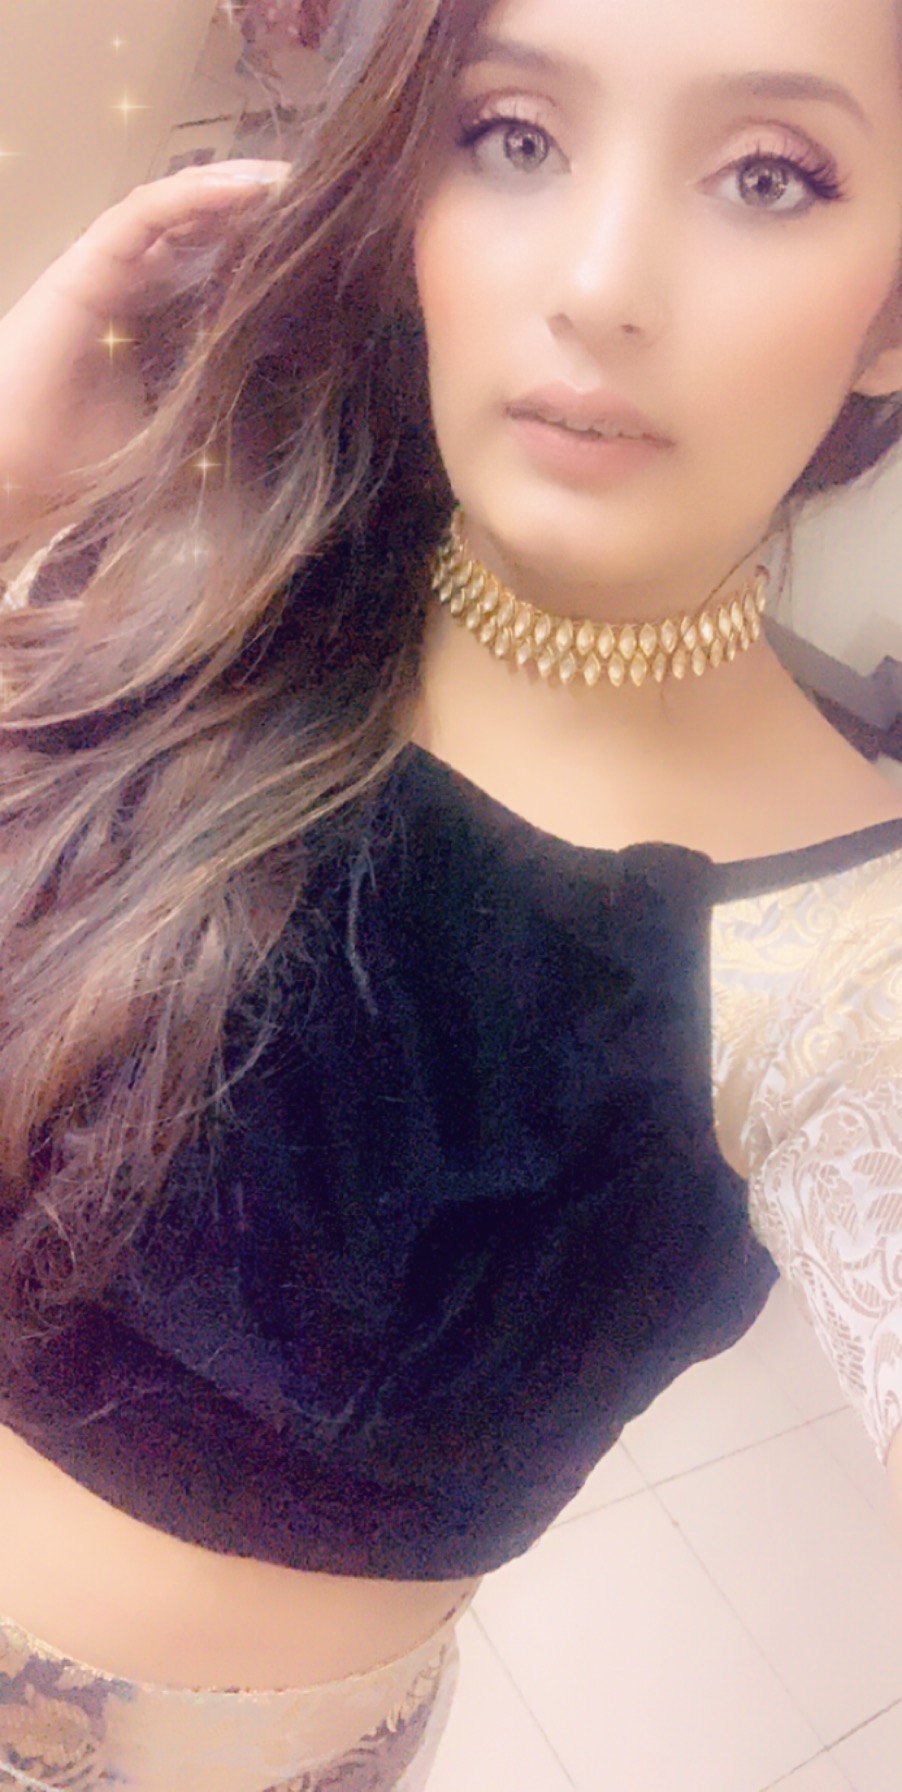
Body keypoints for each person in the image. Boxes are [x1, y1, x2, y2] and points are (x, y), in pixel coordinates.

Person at [0, 0, 902, 1784]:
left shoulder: (834, 958)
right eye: (513, 136)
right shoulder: (194, 577)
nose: (598, 284)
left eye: (766, 174)